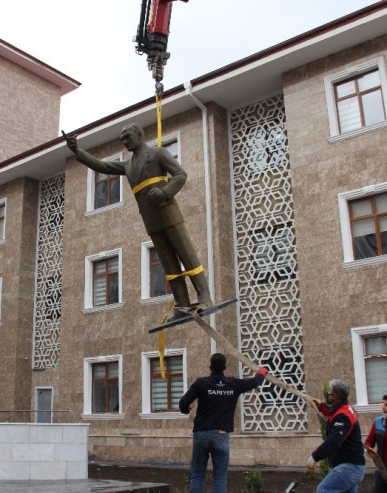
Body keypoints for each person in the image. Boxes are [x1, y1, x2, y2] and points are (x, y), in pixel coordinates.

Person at [65, 124, 211, 319]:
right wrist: (77, 151)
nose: (125, 142)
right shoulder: (128, 165)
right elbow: (101, 165)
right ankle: (182, 303)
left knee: (187, 255)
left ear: (139, 135)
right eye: (122, 139)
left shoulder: (157, 154)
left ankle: (205, 296)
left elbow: (180, 174)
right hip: (151, 221)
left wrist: (164, 192)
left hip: (168, 214)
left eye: (127, 137)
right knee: (168, 263)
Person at [178, 352, 268, 493]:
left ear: (210, 367)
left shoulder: (201, 383)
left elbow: (183, 403)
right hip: (221, 435)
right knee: (220, 477)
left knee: (197, 476)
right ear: (225, 367)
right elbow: (255, 382)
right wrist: (262, 372)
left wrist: (186, 410)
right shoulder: (233, 384)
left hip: (201, 434)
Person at [308, 379, 366, 493]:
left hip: (349, 466)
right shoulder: (343, 409)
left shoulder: (343, 416)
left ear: (335, 396)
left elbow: (334, 441)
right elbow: (331, 412)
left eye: (329, 391)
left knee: (324, 490)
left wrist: (315, 457)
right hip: (354, 466)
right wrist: (321, 406)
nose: (327, 394)